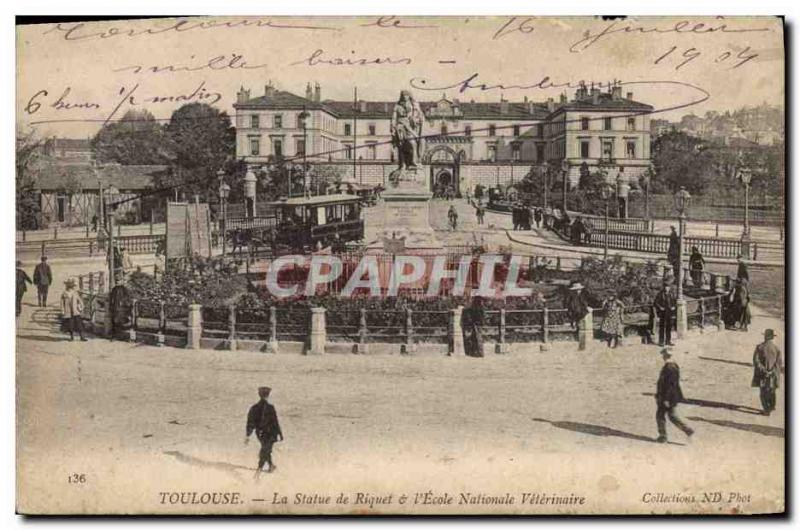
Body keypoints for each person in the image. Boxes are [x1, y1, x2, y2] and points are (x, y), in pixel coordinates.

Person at [655, 348, 694, 443]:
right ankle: (687, 430)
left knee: (662, 415)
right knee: (670, 415)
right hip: (670, 396)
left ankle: (663, 436)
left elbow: (670, 385)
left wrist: (666, 399)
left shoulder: (669, 367)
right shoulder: (673, 365)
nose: (663, 357)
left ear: (665, 356)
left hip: (667, 397)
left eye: (664, 355)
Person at [245, 386, 284, 476]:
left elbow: (250, 422)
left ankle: (271, 466)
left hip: (260, 433)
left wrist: (248, 435)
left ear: (259, 395)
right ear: (268, 395)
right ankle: (258, 471)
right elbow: (275, 422)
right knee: (266, 450)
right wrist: (280, 434)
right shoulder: (270, 407)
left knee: (266, 449)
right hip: (270, 433)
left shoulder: (254, 408)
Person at [751, 329, 782, 416]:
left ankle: (766, 410)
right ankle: (772, 406)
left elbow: (756, 361)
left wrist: (764, 370)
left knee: (763, 392)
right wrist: (772, 371)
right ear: (772, 338)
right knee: (772, 390)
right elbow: (779, 363)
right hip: (773, 375)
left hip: (762, 375)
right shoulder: (777, 349)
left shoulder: (759, 347)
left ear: (765, 337)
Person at [653, 281, 676, 346]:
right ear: (664, 287)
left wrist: (673, 306)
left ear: (669, 288)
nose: (667, 288)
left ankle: (668, 341)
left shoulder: (671, 294)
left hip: (669, 312)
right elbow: (655, 302)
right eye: (666, 287)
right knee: (662, 327)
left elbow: (674, 301)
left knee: (669, 327)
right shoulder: (660, 294)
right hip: (663, 312)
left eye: (668, 287)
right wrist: (660, 307)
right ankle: (661, 342)